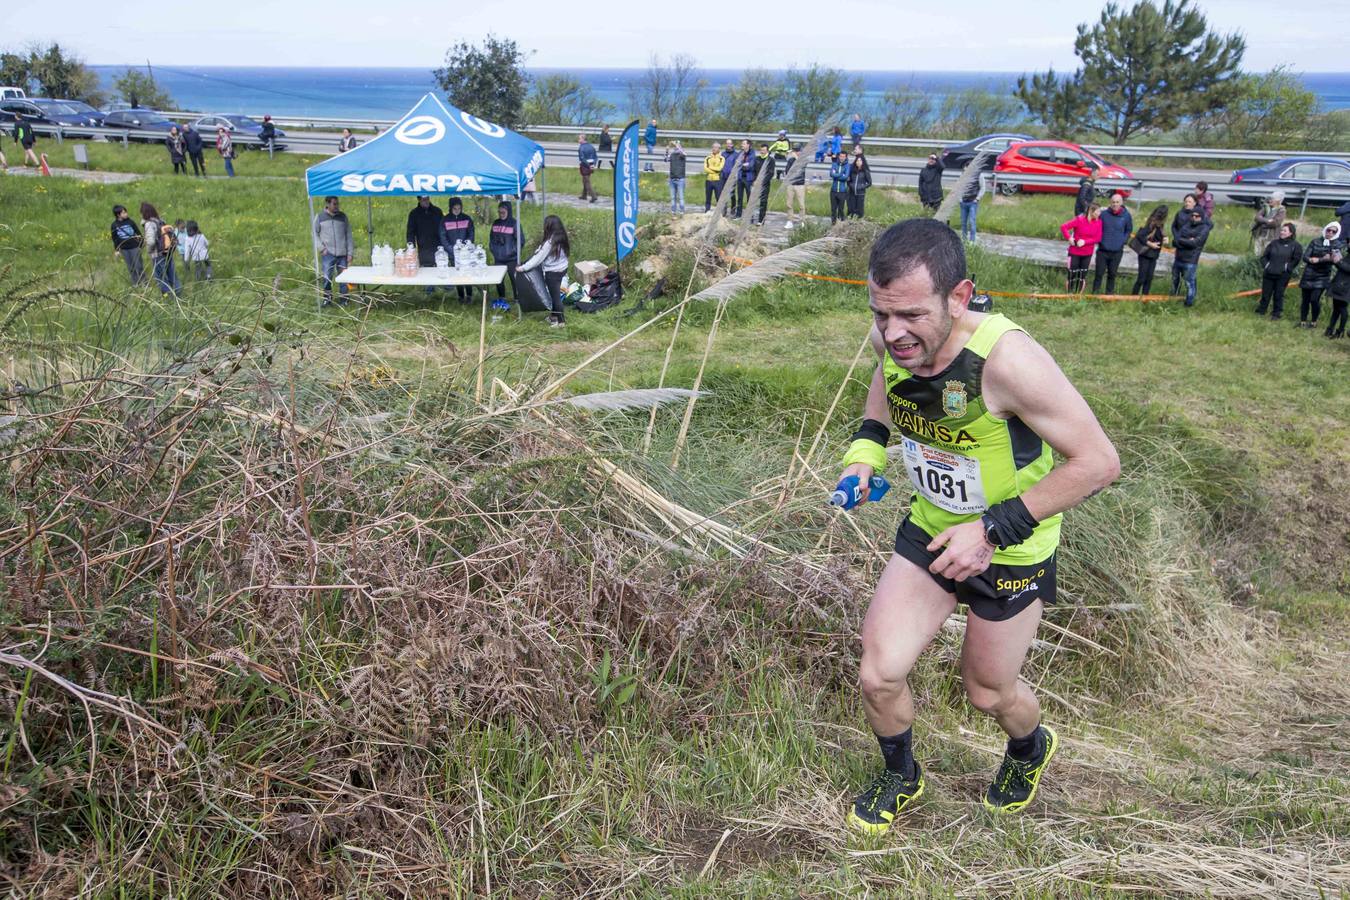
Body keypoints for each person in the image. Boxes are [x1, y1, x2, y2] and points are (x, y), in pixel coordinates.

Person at [840, 217, 1120, 833]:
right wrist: (864, 457)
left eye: (911, 315)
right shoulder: (894, 336)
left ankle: (1028, 747)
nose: (892, 332)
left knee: (988, 693)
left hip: (1012, 547)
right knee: (879, 673)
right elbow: (882, 396)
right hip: (932, 530)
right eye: (881, 314)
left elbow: (1099, 463)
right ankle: (901, 775)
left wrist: (990, 530)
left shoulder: (1008, 362)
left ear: (959, 297)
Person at [518, 215, 571, 327]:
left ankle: (560, 322)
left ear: (549, 227)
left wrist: (523, 268)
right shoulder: (561, 238)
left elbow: (537, 259)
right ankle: (553, 316)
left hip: (552, 273)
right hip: (562, 269)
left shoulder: (550, 243)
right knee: (555, 294)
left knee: (555, 297)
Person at [1298, 222, 1344, 329]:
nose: (1330, 233)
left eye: (1333, 231)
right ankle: (1302, 321)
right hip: (1309, 273)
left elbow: (1335, 261)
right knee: (1305, 299)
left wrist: (1319, 259)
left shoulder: (1337, 245)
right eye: (1329, 230)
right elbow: (1305, 257)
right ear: (1325, 230)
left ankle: (1314, 321)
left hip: (1323, 276)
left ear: (1336, 233)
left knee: (1314, 299)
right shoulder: (1315, 241)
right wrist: (1311, 259)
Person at [313, 195, 353, 307]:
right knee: (327, 277)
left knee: (344, 278)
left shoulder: (343, 217)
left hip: (342, 254)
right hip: (328, 253)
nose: (337, 206)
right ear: (327, 204)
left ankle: (344, 299)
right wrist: (321, 248)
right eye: (334, 204)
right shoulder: (320, 217)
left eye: (337, 203)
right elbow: (314, 233)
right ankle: (327, 298)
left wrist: (350, 252)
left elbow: (348, 235)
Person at [1255, 223, 1300, 320]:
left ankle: (1276, 313)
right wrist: (1266, 266)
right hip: (1269, 273)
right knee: (1266, 293)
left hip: (1283, 275)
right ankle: (1261, 310)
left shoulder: (1295, 246)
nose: (1282, 232)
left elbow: (1296, 260)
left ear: (1291, 233)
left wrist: (1287, 268)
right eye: (1281, 230)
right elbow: (1264, 257)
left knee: (1278, 294)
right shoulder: (1274, 243)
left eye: (1285, 231)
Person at [1092, 193, 1133, 295]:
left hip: (1117, 251)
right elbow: (1096, 226)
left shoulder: (1126, 216)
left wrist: (1123, 241)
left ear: (1121, 203)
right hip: (1102, 250)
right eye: (1113, 202)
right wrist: (1099, 240)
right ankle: (1094, 294)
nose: (1115, 204)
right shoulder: (1104, 214)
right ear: (1110, 203)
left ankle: (1109, 295)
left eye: (1117, 202)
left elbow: (1129, 230)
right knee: (1099, 274)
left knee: (1112, 274)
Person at [1171, 206, 1211, 307]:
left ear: (1201, 217)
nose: (1194, 217)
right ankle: (1172, 299)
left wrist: (1183, 240)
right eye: (1192, 215)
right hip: (1178, 257)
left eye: (1197, 216)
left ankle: (1189, 304)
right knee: (1175, 280)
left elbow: (1195, 243)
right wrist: (1188, 240)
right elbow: (1175, 240)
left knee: (1189, 283)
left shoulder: (1204, 228)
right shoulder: (1186, 225)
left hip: (1190, 260)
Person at [437, 197, 474, 301]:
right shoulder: (444, 220)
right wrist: (451, 250)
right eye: (455, 208)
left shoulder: (467, 219)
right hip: (453, 253)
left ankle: (469, 295)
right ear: (450, 208)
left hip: (466, 253)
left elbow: (471, 234)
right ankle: (461, 296)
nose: (457, 210)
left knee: (467, 273)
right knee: (457, 275)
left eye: (459, 208)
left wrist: (466, 248)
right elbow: (443, 237)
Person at [1059, 203, 1102, 294]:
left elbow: (1098, 238)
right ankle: (1069, 294)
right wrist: (1069, 238)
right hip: (1074, 252)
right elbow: (1063, 227)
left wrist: (1085, 242)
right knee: (1072, 275)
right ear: (1091, 211)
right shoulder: (1079, 220)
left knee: (1082, 276)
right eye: (1098, 211)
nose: (1099, 213)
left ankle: (1078, 295)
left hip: (1087, 254)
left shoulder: (1099, 222)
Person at [140, 202, 181, 297]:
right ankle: (178, 294)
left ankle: (168, 297)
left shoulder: (149, 224)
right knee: (172, 274)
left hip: (157, 254)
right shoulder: (161, 221)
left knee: (161, 277)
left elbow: (150, 242)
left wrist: (150, 251)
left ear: (144, 213)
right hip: (168, 252)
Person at [1129, 204, 1168, 295]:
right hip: (1145, 254)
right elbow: (1140, 235)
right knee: (1142, 278)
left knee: (1149, 278)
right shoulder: (1152, 223)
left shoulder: (1160, 225)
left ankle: (1144, 298)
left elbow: (1158, 237)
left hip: (1153, 255)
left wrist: (1165, 238)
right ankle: (1134, 297)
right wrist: (1150, 244)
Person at [488, 201, 519, 302]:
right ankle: (501, 297)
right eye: (499, 212)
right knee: (498, 279)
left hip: (511, 258)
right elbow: (491, 239)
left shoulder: (514, 224)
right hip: (499, 258)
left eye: (503, 212)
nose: (501, 214)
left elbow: (520, 241)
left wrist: (511, 252)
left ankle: (517, 298)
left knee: (514, 279)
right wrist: (494, 251)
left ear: (508, 211)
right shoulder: (495, 223)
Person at [110, 204, 145, 286]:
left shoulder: (130, 222)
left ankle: (144, 282)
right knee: (131, 267)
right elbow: (115, 239)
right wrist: (117, 250)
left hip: (134, 247)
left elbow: (138, 233)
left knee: (139, 265)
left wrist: (140, 244)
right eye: (124, 213)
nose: (126, 214)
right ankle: (136, 283)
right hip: (124, 249)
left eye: (126, 212)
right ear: (118, 215)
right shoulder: (114, 225)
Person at [406, 195, 444, 269]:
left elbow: (443, 230)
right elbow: (410, 233)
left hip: (438, 248)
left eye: (427, 199)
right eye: (424, 200)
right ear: (419, 200)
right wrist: (411, 249)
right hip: (423, 249)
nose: (426, 201)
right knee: (425, 272)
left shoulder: (437, 211)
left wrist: (443, 246)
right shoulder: (414, 214)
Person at [1328, 237, 1350, 338]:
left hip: (1346, 286)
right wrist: (1335, 260)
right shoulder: (1348, 254)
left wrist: (1339, 262)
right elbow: (1342, 268)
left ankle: (1340, 330)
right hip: (1339, 283)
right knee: (1336, 308)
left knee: (1342, 308)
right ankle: (1330, 329)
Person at [958, 169, 984, 243]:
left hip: (973, 202)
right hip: (963, 202)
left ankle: (972, 241)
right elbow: (959, 187)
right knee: (963, 222)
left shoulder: (979, 175)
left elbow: (983, 187)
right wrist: (960, 199)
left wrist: (977, 198)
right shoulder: (963, 175)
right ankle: (964, 239)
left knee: (972, 222)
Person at [784, 146, 807, 228]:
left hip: (800, 185)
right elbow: (788, 171)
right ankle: (790, 220)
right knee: (789, 204)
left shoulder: (803, 160)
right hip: (790, 185)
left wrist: (797, 158)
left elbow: (800, 170)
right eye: (796, 151)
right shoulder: (790, 160)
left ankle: (802, 221)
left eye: (798, 151)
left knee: (801, 205)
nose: (797, 152)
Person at [754, 143, 776, 225]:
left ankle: (761, 220)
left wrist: (762, 182)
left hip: (764, 185)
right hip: (756, 184)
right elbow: (754, 171)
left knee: (763, 202)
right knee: (753, 201)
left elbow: (771, 173)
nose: (762, 152)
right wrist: (754, 180)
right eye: (761, 150)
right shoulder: (757, 159)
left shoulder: (771, 160)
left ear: (767, 151)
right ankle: (751, 217)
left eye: (764, 150)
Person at [736, 140, 757, 219]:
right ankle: (738, 215)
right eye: (742, 143)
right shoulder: (740, 153)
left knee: (749, 198)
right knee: (740, 198)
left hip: (748, 179)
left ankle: (750, 216)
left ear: (748, 145)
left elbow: (750, 166)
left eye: (744, 144)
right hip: (740, 178)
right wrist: (743, 165)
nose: (742, 145)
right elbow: (737, 164)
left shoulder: (752, 154)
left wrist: (742, 165)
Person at [848, 150, 873, 219]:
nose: (858, 162)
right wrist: (850, 185)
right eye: (857, 161)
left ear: (862, 162)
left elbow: (869, 183)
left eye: (860, 161)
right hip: (852, 193)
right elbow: (849, 181)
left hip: (860, 193)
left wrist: (862, 187)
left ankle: (859, 221)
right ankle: (851, 221)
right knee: (851, 208)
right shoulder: (852, 171)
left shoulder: (865, 171)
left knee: (860, 209)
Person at [665, 140, 687, 214]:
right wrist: (667, 150)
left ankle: (682, 211)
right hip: (672, 179)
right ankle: (673, 211)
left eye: (677, 146)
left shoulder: (682, 155)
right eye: (675, 146)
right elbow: (665, 159)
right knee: (672, 197)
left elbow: (684, 153)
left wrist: (677, 145)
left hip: (680, 179)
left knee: (681, 197)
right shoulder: (672, 155)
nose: (675, 147)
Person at [829, 151, 851, 224]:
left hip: (842, 191)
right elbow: (831, 174)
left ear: (846, 157)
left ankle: (841, 223)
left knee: (841, 209)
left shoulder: (847, 166)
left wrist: (837, 175)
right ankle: (833, 224)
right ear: (839, 156)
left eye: (843, 156)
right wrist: (841, 173)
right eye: (841, 156)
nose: (842, 158)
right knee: (833, 209)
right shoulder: (834, 164)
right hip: (833, 191)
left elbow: (846, 177)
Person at [703, 140, 724, 212]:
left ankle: (719, 213)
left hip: (717, 180)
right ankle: (707, 211)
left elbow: (719, 169)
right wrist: (714, 170)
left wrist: (710, 167)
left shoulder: (722, 158)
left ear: (719, 149)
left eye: (716, 147)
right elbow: (705, 169)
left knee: (718, 197)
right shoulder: (708, 158)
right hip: (708, 180)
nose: (714, 149)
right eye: (713, 147)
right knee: (708, 198)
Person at [577, 133, 598, 203]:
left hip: (585, 166)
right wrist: (593, 164)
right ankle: (584, 195)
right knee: (585, 180)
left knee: (587, 181)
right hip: (591, 165)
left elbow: (582, 158)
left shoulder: (581, 148)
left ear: (583, 139)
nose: (578, 140)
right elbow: (595, 157)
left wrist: (588, 165)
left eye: (579, 138)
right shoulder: (591, 146)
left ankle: (593, 196)